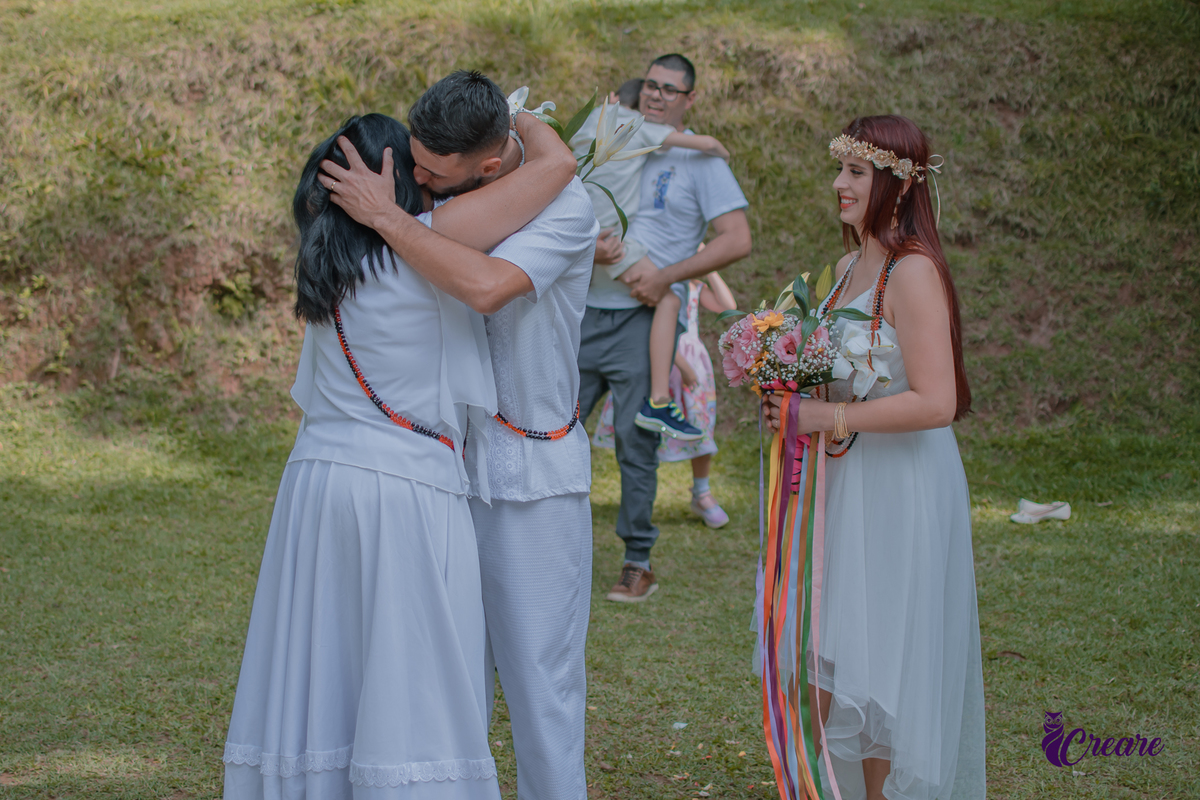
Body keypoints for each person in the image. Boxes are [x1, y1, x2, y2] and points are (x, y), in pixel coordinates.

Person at [222, 110, 576, 799]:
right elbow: (557, 167)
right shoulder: (427, 240)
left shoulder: (323, 253)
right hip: (401, 485)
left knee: (321, 663)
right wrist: (518, 117)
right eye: (413, 171)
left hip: (316, 482)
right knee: (412, 665)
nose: (428, 183)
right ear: (383, 182)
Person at [319, 71, 598, 800]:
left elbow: (484, 287)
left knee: (542, 687)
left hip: (532, 477)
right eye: (412, 165)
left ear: (489, 164)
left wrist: (385, 216)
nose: (414, 182)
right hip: (439, 477)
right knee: (447, 679)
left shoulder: (564, 207)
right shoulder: (450, 202)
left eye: (432, 174)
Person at [766, 115, 986, 800]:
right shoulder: (842, 268)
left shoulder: (913, 271)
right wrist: (786, 382)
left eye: (855, 172)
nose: (839, 184)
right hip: (843, 480)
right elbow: (840, 371)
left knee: (882, 659)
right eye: (840, 169)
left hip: (899, 485)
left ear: (895, 182)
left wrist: (824, 414)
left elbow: (936, 400)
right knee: (831, 654)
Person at [578, 53, 753, 602]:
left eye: (670, 89)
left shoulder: (699, 162)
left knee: (636, 438)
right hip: (579, 309)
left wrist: (667, 280)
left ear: (689, 98)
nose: (656, 95)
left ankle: (637, 560)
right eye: (649, 84)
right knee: (549, 426)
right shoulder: (615, 133)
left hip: (641, 316)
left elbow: (735, 239)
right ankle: (531, 545)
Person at [571, 79, 731, 442]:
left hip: (579, 233)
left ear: (611, 99)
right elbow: (704, 144)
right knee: (670, 297)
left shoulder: (587, 124)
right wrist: (722, 153)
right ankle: (658, 401)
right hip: (612, 241)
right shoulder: (638, 129)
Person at [592, 270, 737, 527]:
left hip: (692, 362)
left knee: (699, 424)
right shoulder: (654, 282)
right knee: (643, 428)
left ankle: (702, 493)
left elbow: (728, 306)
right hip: (660, 359)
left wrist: (710, 269)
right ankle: (638, 493)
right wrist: (680, 365)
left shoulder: (693, 285)